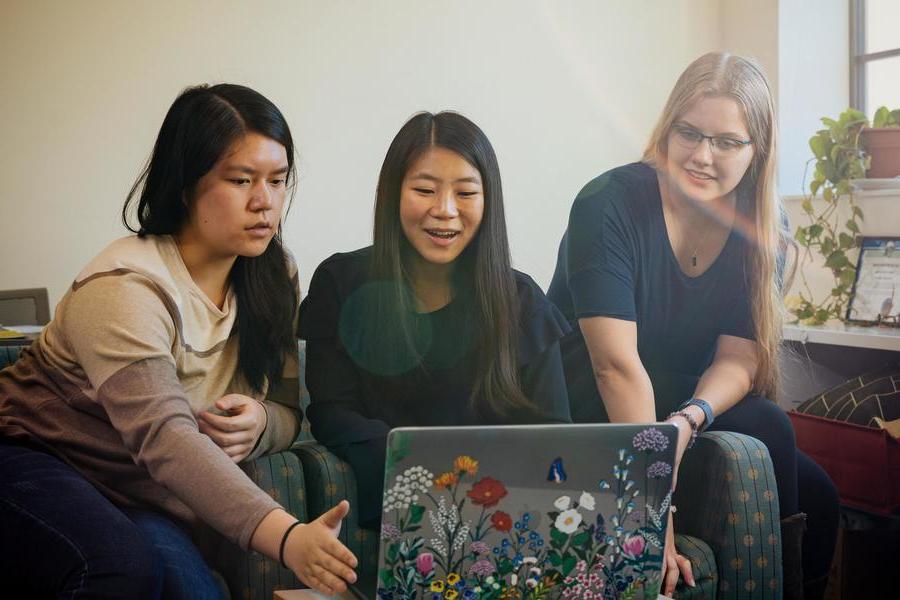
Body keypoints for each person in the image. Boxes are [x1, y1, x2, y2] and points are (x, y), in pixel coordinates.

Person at [0, 84, 357, 599]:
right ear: (187, 184)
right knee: (117, 569)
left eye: (278, 181)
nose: (265, 201)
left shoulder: (274, 275)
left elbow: (286, 409)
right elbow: (164, 437)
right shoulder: (125, 286)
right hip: (35, 458)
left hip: (134, 490)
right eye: (241, 180)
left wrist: (260, 422)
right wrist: (288, 537)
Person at [547, 53, 839, 599]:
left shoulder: (763, 226)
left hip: (678, 398)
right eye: (689, 133)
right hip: (589, 397)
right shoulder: (606, 202)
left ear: (758, 152)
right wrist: (652, 514)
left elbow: (738, 359)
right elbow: (614, 366)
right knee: (773, 430)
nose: (703, 156)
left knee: (818, 493)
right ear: (668, 127)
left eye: (728, 142)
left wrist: (686, 422)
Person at [299, 111, 572, 528]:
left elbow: (554, 438)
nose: (445, 211)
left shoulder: (521, 303)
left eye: (465, 193)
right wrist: (420, 476)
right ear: (393, 194)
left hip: (503, 525)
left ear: (488, 200)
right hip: (389, 515)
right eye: (425, 189)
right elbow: (333, 412)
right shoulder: (342, 284)